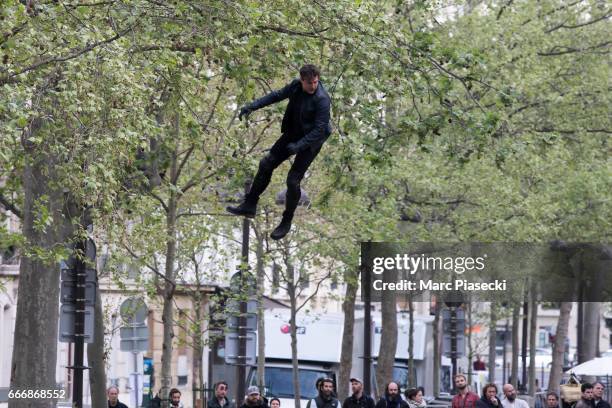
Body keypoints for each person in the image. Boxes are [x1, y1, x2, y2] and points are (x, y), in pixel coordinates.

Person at [228, 64, 333, 240]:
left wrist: (299, 146)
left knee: (292, 181)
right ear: (301, 80)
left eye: (315, 82)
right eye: (309, 83)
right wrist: (252, 106)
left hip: (312, 141)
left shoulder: (322, 99)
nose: (313, 86)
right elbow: (276, 96)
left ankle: (286, 220)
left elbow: (320, 129)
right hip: (293, 133)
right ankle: (250, 203)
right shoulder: (295, 86)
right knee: (266, 163)